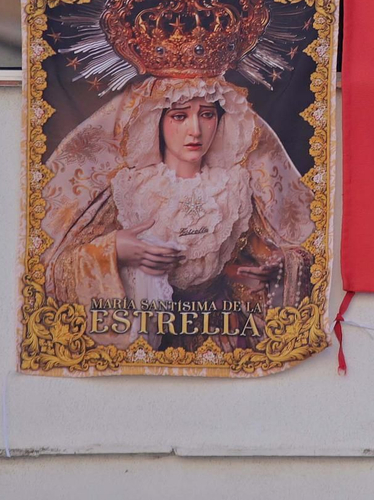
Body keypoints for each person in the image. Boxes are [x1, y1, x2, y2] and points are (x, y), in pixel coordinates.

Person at [41, 77, 314, 351]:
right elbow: (53, 266)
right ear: (156, 121)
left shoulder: (237, 187)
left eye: (206, 115)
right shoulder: (128, 190)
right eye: (179, 116)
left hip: (220, 335)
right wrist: (112, 250)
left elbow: (289, 252)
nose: (195, 130)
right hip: (145, 335)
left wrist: (276, 269)